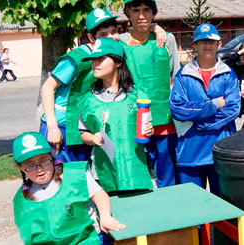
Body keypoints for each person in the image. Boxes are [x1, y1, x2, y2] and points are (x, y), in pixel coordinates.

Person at [40, 8, 166, 164]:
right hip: (62, 128)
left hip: (87, 128)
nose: (111, 38)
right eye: (103, 35)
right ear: (91, 38)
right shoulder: (76, 59)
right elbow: (47, 87)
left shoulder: (115, 54)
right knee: (64, 180)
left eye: (114, 32)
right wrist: (52, 127)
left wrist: (153, 27)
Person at [12, 132, 125, 244]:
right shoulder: (22, 200)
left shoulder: (75, 175)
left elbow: (99, 194)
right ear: (21, 168)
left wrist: (105, 216)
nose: (40, 169)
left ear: (51, 157)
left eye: (44, 160)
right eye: (30, 165)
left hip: (86, 239)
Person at [169, 23, 240, 195]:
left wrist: (200, 123)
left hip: (220, 148)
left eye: (211, 41)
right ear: (194, 45)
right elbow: (177, 108)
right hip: (190, 148)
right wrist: (212, 106)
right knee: (193, 203)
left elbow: (233, 108)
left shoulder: (228, 74)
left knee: (224, 203)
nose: (207, 45)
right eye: (202, 41)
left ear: (219, 45)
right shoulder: (183, 75)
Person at [79, 37, 155, 195]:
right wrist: (92, 138)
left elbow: (147, 126)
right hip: (104, 173)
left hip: (135, 170)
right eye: (93, 59)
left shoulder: (137, 95)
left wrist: (149, 130)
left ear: (118, 62)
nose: (95, 64)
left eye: (101, 59)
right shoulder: (88, 100)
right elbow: (83, 133)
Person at [120, 0, 181, 188]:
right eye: (135, 10)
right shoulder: (120, 42)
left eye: (146, 10)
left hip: (164, 118)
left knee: (168, 175)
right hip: (133, 119)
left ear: (153, 13)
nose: (141, 16)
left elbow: (177, 76)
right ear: (128, 14)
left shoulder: (166, 38)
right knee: (138, 175)